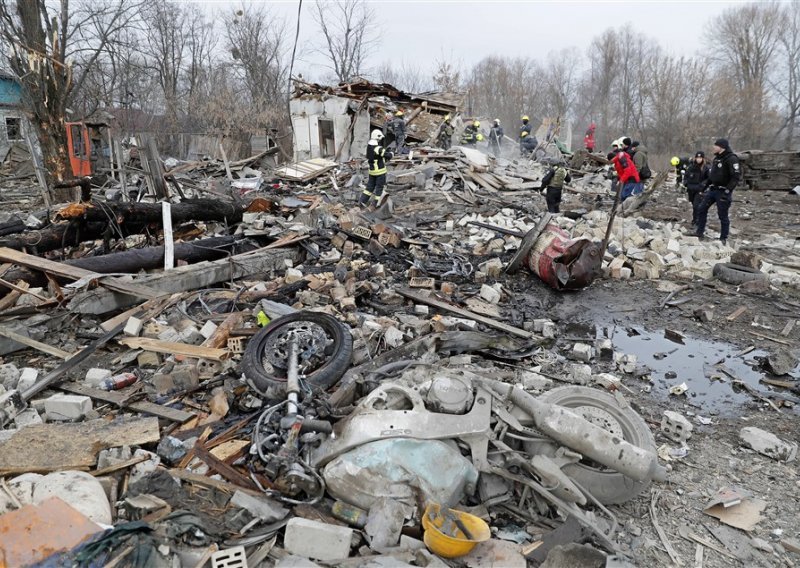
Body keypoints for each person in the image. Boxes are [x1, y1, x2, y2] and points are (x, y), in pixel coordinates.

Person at [694, 138, 741, 244]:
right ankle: (699, 232)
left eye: (715, 146)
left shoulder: (731, 158)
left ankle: (723, 238)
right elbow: (712, 176)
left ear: (721, 147)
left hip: (723, 191)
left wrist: (728, 191)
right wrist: (704, 187)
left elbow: (735, 177)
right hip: (713, 190)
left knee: (722, 215)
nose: (713, 147)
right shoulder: (716, 159)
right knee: (701, 209)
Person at [360, 129, 393, 207]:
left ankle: (362, 201)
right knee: (379, 188)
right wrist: (391, 153)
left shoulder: (369, 147)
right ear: (377, 137)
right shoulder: (377, 148)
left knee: (369, 187)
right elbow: (387, 155)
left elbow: (377, 156)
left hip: (372, 171)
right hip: (380, 172)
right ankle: (376, 203)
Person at [683, 151, 710, 232]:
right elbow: (686, 176)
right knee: (693, 206)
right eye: (697, 158)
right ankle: (694, 220)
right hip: (691, 189)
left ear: (703, 158)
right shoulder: (691, 167)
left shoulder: (706, 168)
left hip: (700, 190)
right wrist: (686, 183)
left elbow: (708, 179)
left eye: (700, 158)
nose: (698, 159)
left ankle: (697, 222)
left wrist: (702, 186)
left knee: (696, 206)